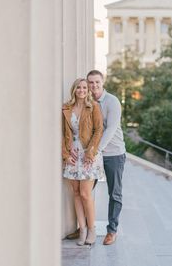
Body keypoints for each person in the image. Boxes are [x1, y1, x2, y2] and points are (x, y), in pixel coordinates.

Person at [62, 78, 104, 245]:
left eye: (85, 87)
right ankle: (83, 229)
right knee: (77, 193)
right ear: (74, 90)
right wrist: (65, 153)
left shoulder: (93, 106)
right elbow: (61, 134)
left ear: (88, 90)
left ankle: (92, 229)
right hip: (72, 156)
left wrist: (91, 152)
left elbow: (99, 129)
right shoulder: (66, 108)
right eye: (78, 87)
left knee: (86, 194)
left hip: (88, 155)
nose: (82, 90)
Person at [87, 69, 126, 246]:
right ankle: (84, 226)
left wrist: (96, 150)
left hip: (113, 154)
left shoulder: (112, 101)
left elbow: (110, 130)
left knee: (114, 193)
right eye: (91, 82)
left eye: (97, 82)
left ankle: (112, 231)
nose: (94, 85)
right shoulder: (88, 101)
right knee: (85, 191)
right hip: (93, 154)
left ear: (103, 83)